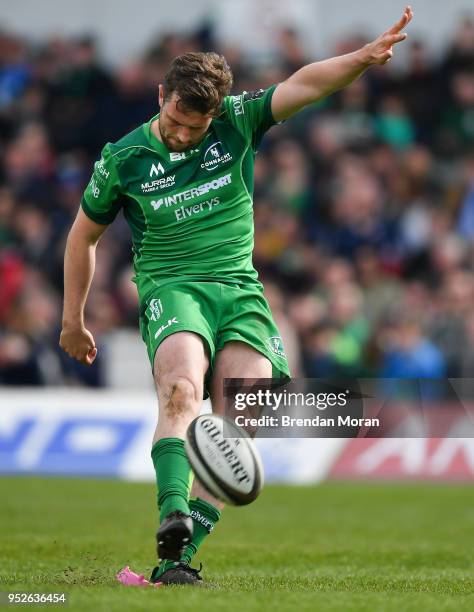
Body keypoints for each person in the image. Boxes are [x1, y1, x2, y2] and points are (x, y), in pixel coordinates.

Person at [59, 6, 413, 586]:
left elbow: (305, 83)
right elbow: (83, 238)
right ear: (161, 94)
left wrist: (363, 58)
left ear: (214, 114)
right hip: (173, 288)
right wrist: (73, 320)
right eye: (175, 119)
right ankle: (171, 508)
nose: (180, 134)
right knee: (180, 392)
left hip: (240, 291)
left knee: (238, 423)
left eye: (194, 128)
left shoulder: (237, 122)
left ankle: (176, 560)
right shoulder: (122, 159)